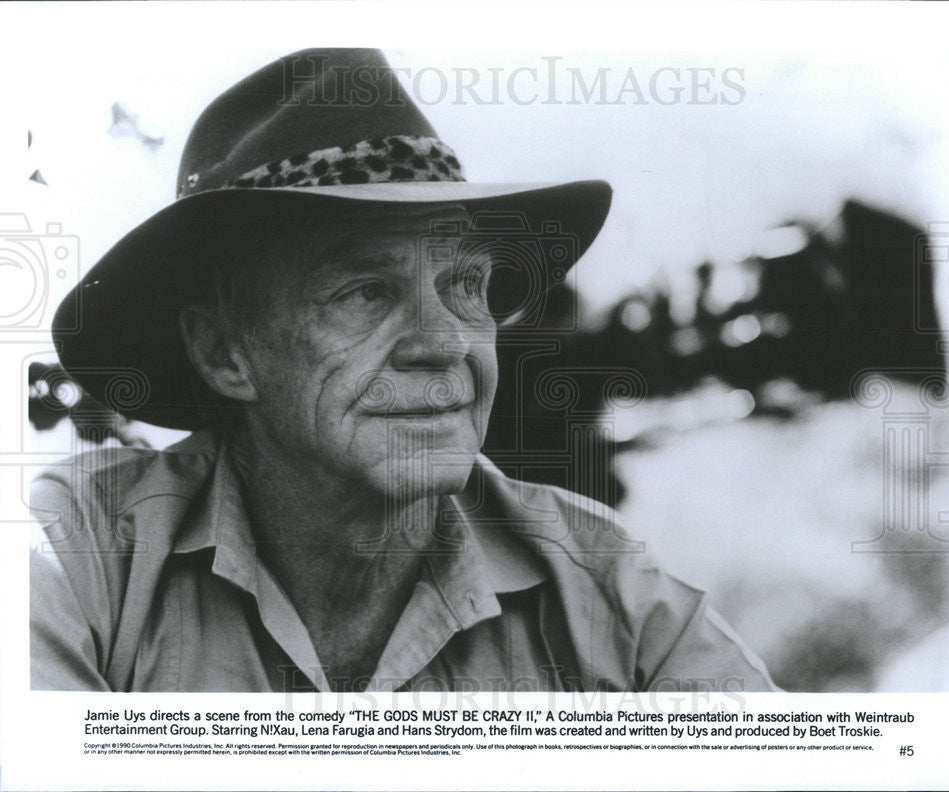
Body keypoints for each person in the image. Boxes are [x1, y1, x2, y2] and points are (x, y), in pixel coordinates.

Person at [30, 48, 776, 693]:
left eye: (466, 286)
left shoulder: (608, 592)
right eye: (366, 292)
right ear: (227, 354)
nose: (445, 343)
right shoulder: (81, 557)